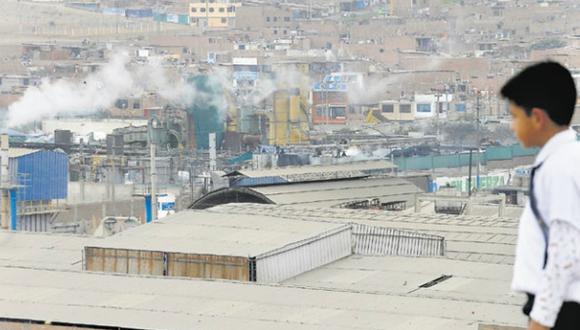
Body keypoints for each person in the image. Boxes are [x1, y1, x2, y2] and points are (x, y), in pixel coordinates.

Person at [501, 61, 580, 330]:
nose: (512, 126)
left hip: (564, 311)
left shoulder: (559, 168)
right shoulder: (563, 159)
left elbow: (565, 254)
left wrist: (540, 321)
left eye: (515, 116)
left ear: (537, 117)